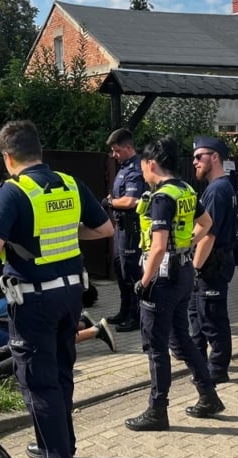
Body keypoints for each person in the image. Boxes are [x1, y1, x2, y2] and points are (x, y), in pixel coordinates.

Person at [0, 120, 113, 458]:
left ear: (8, 157)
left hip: (34, 300)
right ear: (39, 151)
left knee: (38, 380)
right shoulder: (70, 183)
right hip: (71, 295)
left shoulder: (13, 191)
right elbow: (105, 229)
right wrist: (66, 232)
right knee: (62, 371)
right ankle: (60, 444)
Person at [124, 136, 225, 432]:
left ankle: (157, 410)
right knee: (182, 339)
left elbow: (157, 248)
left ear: (151, 164)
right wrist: (186, 245)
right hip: (183, 273)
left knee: (156, 346)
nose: (141, 171)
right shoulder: (186, 190)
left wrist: (144, 282)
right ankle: (208, 396)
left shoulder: (161, 198)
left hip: (162, 279)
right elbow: (206, 224)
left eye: (142, 165)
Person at [188, 137, 238, 384]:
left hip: (211, 265)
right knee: (198, 317)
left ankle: (216, 370)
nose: (195, 161)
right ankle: (200, 365)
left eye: (200, 156)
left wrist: (194, 268)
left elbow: (209, 235)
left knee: (212, 319)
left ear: (215, 157)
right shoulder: (219, 188)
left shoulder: (218, 191)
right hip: (212, 263)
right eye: (194, 157)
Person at [102, 128, 146, 333]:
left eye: (117, 150)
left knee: (131, 272)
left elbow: (130, 201)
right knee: (120, 270)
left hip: (131, 229)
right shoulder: (124, 167)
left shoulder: (135, 169)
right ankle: (124, 310)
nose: (114, 155)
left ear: (128, 148)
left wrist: (110, 202)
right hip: (120, 228)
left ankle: (136, 316)